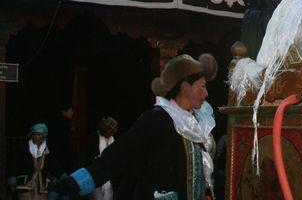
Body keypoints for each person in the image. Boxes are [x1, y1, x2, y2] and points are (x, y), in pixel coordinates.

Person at [51, 54, 217, 199]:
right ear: (185, 86)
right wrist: (75, 183)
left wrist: (207, 193)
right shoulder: (158, 119)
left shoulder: (196, 125)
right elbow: (119, 155)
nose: (206, 93)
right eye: (202, 86)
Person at [8, 123, 62, 200]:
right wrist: (12, 178)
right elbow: (15, 163)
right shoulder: (24, 148)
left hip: (41, 184)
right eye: (35, 134)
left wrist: (60, 177)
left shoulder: (47, 150)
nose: (37, 137)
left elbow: (54, 166)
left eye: (40, 135)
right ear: (31, 135)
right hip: (25, 183)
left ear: (44, 136)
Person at [83, 117, 119, 200]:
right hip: (95, 174)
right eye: (110, 132)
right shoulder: (93, 138)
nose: (111, 134)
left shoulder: (112, 139)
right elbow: (86, 157)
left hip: (108, 176)